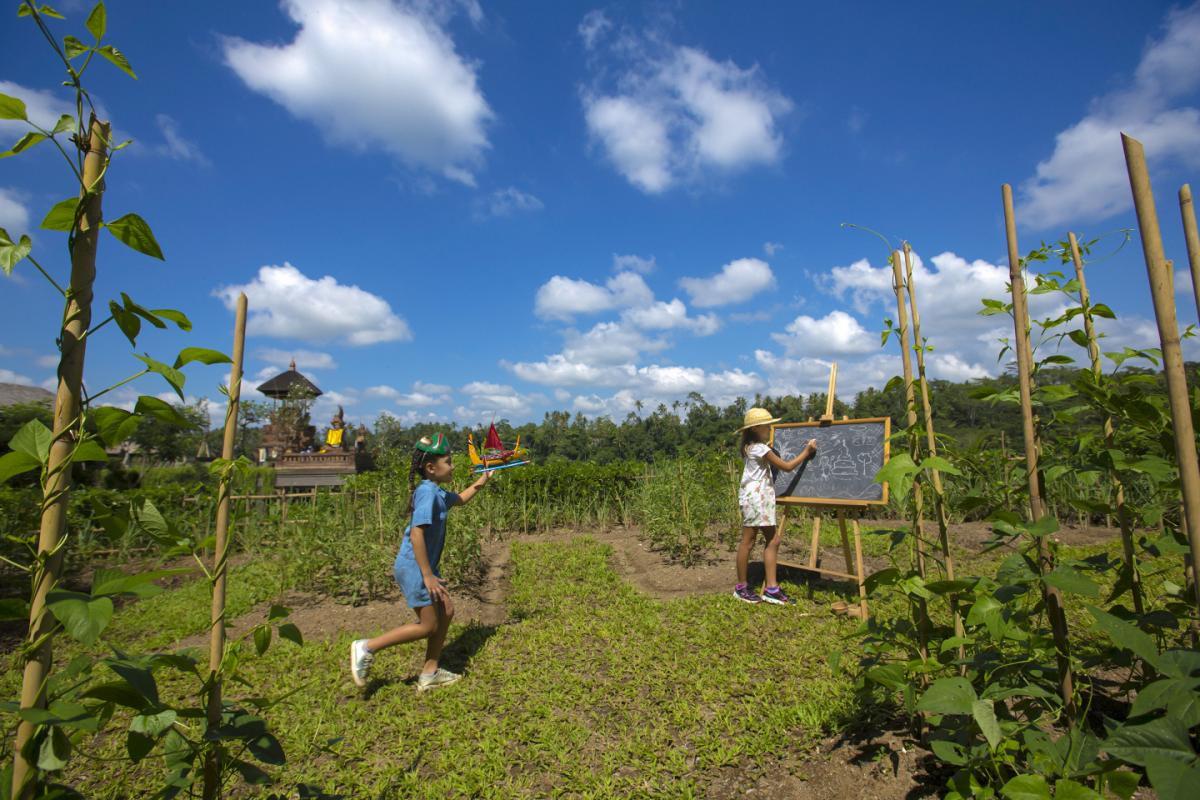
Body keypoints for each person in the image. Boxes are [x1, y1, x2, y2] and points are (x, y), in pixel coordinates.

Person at [349, 433, 490, 691]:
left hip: (422, 566)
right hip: (416, 568)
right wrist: (427, 575)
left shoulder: (436, 491)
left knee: (446, 611)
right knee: (428, 625)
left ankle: (430, 672)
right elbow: (417, 534)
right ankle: (367, 647)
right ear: (431, 468)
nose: (453, 466)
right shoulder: (427, 493)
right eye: (448, 462)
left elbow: (460, 499)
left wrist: (483, 479)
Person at [733, 408, 817, 605]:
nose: (770, 428)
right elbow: (786, 467)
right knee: (751, 541)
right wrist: (807, 451)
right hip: (757, 499)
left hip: (756, 498)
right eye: (767, 425)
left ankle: (769, 588)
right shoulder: (761, 449)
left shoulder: (751, 447)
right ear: (757, 428)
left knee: (770, 540)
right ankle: (744, 587)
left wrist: (768, 448)